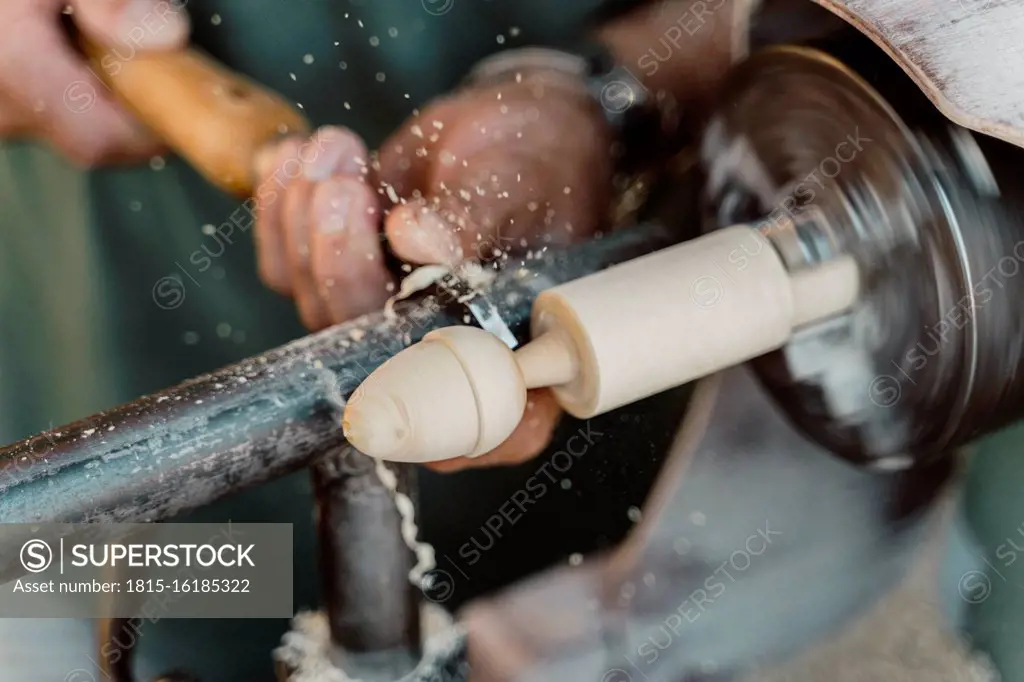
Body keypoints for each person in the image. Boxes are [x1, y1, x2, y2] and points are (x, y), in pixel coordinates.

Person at [0, 0, 992, 680]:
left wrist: (599, 92)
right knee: (122, 571)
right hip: (130, 249)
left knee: (580, 584)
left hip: (618, 217)